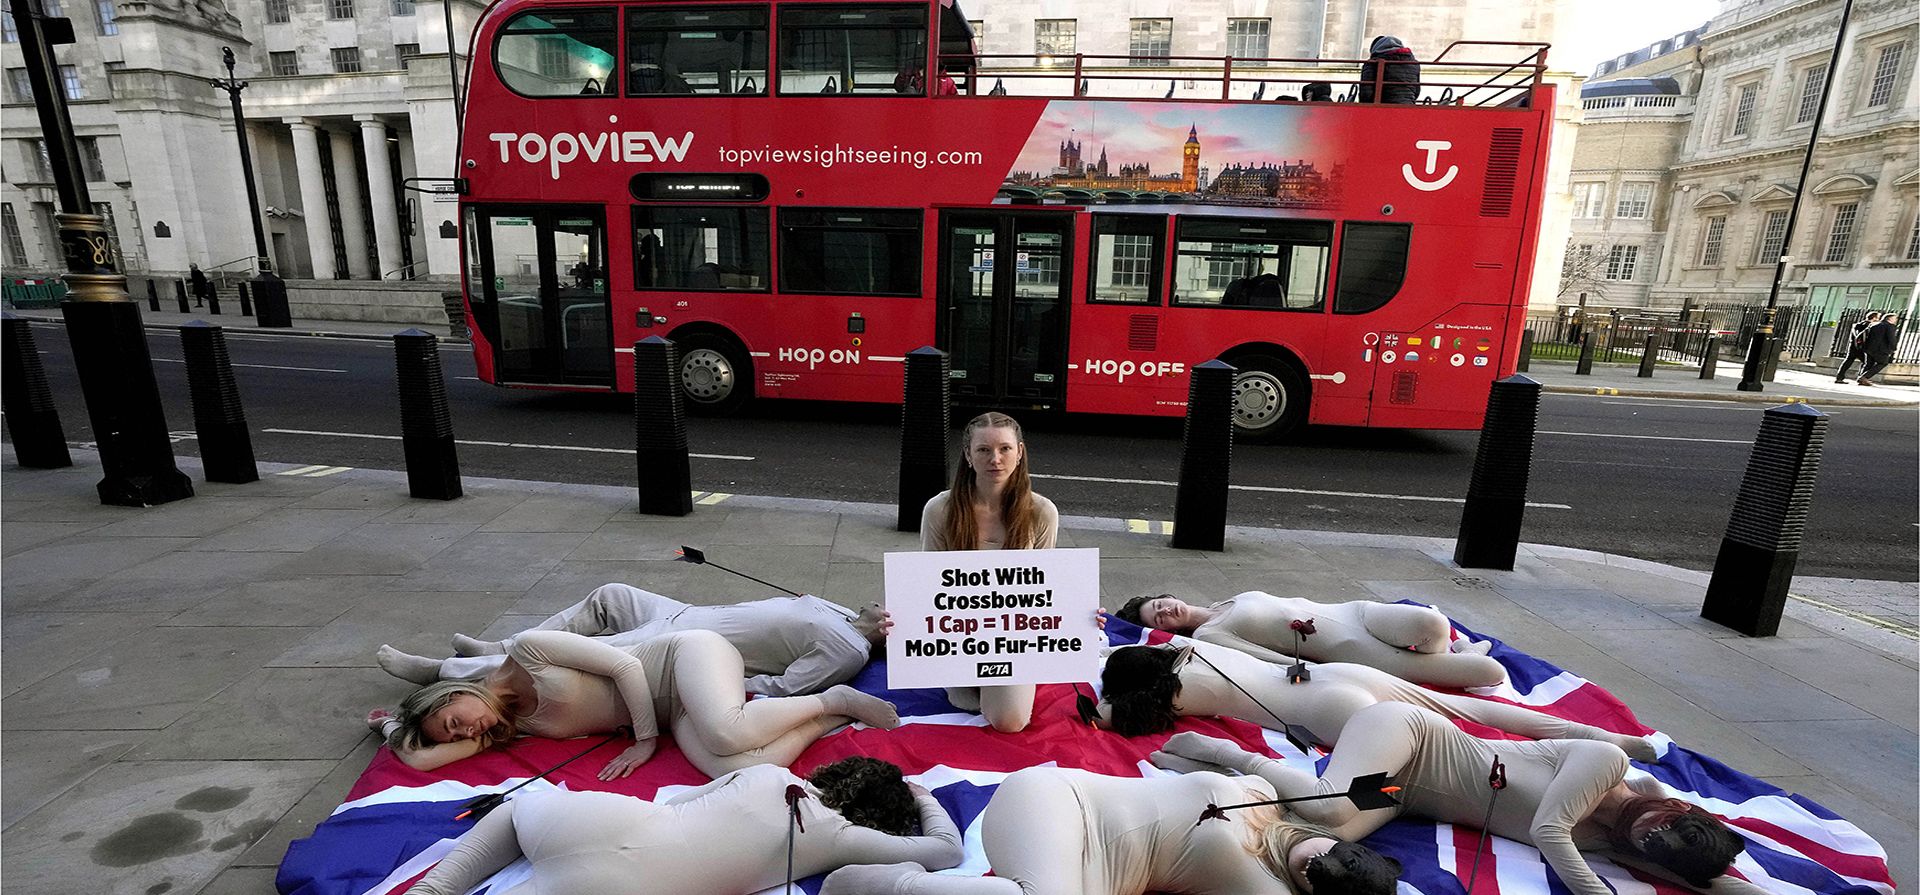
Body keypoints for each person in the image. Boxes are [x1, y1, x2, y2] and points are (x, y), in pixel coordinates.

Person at [1150, 702, 1761, 895]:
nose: (1643, 841)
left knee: (1319, 841)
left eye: (1652, 849)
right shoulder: (1606, 762)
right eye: (1658, 828)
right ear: (1681, 807)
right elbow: (1551, 832)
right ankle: (1226, 752)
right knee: (1333, 807)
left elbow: (1710, 882)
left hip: (1407, 792)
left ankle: (1188, 771)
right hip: (1411, 739)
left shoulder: (1625, 836)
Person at [368, 629, 901, 779]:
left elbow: (622, 666)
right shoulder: (503, 726)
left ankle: (830, 694)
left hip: (682, 657)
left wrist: (645, 741)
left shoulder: (529, 650)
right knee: (737, 767)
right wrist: (394, 728)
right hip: (673, 713)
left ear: (456, 692)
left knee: (725, 732)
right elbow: (419, 758)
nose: (465, 732)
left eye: (453, 721)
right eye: (456, 736)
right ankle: (829, 716)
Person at [409, 757, 965, 895]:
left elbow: (682, 799)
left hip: (605, 820)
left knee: (518, 806)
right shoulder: (842, 839)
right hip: (626, 886)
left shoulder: (767, 772)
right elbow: (944, 851)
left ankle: (436, 887)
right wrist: (923, 795)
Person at [820, 764, 1400, 895]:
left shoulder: (1265, 852)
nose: (1312, 861)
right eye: (1332, 856)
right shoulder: (1272, 797)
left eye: (1316, 877)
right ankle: (881, 885)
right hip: (1057, 803)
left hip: (1086, 867)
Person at [1097, 639, 1656, 760]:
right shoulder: (1194, 652)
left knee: (1465, 751)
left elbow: (1121, 717)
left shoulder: (1180, 692)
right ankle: (1614, 741)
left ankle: (1588, 762)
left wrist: (1103, 700)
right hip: (1326, 676)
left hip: (1326, 711)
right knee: (1477, 713)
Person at [375, 583, 891, 698]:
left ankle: (441, 671)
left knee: (561, 657)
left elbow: (782, 688)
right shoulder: (841, 612)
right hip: (685, 612)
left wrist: (711, 677)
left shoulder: (846, 648)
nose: (882, 598)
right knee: (611, 596)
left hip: (681, 644)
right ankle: (498, 650)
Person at [920, 412, 1060, 733]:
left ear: (1020, 452)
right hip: (958, 632)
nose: (995, 459)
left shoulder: (1041, 512)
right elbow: (927, 583)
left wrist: (1076, 613)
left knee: (1010, 721)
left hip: (1013, 634)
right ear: (968, 455)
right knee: (963, 699)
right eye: (983, 450)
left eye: (1005, 449)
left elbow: (1045, 588)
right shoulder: (940, 510)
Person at [1114, 592, 1506, 688]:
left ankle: (1445, 651)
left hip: (1355, 612)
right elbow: (1265, 659)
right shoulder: (1209, 634)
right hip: (1354, 651)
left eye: (1161, 604)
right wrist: (1321, 676)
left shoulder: (1225, 601)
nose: (1166, 611)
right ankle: (1458, 655)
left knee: (1432, 623)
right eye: (1159, 617)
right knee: (1490, 672)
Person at [1357, 36, 1420, 104]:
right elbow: (1417, 90)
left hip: (1382, 107)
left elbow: (1366, 93)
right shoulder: (1414, 63)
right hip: (1407, 106)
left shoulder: (1372, 63)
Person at [1854, 311, 1901, 386]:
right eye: (1895, 319)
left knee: (1868, 364)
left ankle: (1861, 379)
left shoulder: (1874, 324)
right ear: (1890, 319)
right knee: (1883, 363)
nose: (1896, 320)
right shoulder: (1889, 326)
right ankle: (1864, 377)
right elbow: (1891, 338)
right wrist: (1894, 347)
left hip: (1868, 348)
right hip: (1881, 350)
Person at [1834, 311, 1882, 383]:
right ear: (1874, 318)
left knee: (1848, 361)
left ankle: (1839, 377)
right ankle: (1861, 377)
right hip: (1862, 348)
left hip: (1853, 346)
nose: (1879, 319)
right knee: (1868, 363)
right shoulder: (1870, 326)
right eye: (1878, 318)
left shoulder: (1858, 325)